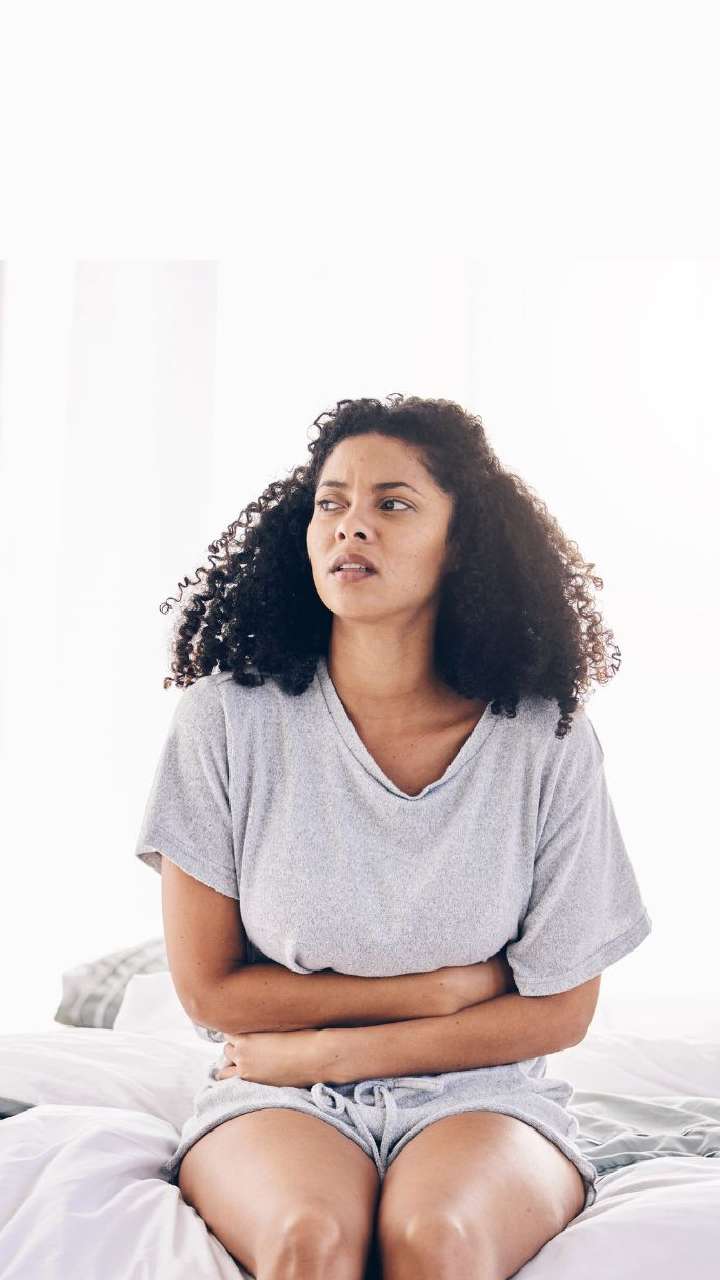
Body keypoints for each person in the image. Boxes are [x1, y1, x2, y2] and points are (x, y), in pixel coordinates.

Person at [134, 394, 652, 1280]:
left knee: (438, 1242)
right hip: (275, 1089)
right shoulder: (225, 719)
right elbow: (212, 992)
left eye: (393, 503)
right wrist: (445, 992)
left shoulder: (543, 736)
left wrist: (336, 1049)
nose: (352, 526)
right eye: (330, 503)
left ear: (462, 543)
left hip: (480, 1094)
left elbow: (561, 1009)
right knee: (308, 1240)